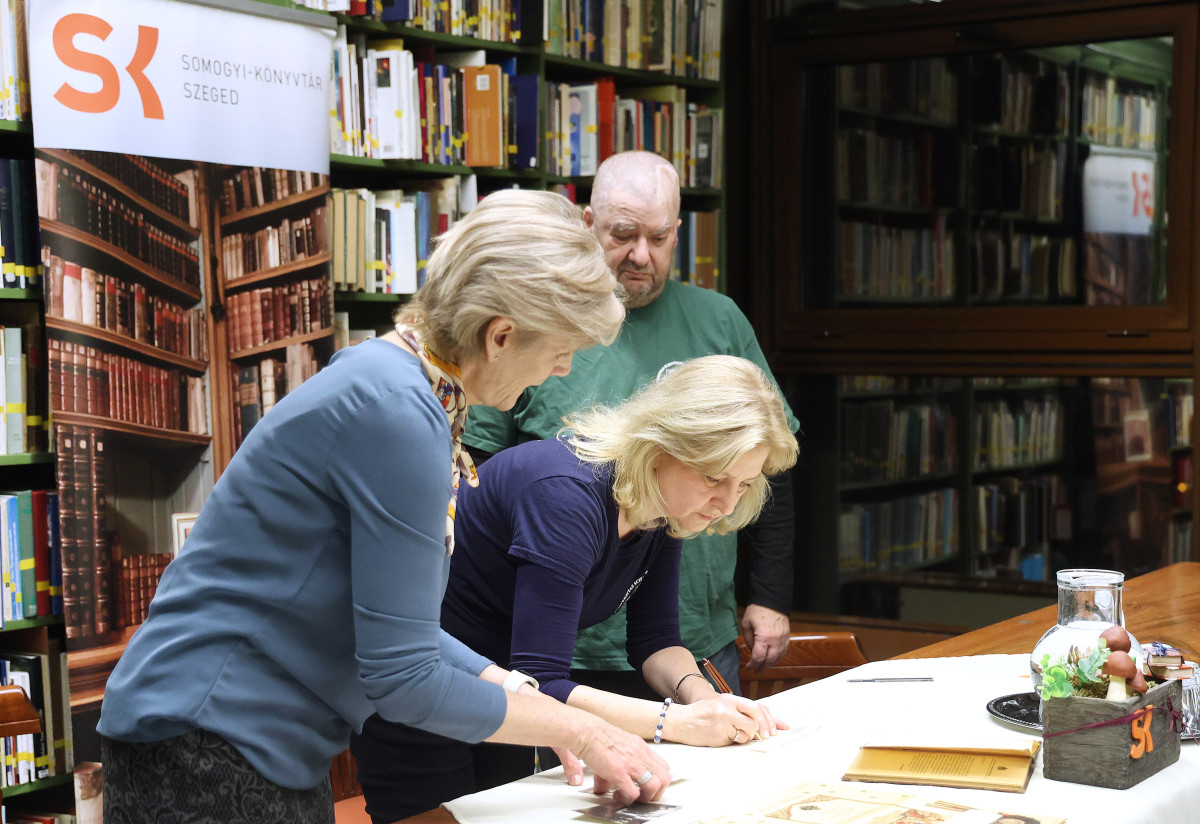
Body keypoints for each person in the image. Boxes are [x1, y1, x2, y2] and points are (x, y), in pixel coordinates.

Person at [95, 190, 674, 824]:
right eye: (562, 347)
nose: (562, 368)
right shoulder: (395, 411)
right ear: (501, 335)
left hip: (235, 738)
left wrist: (527, 697)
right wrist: (582, 731)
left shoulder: (397, 382)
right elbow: (405, 677)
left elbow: (407, 635)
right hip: (210, 738)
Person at [352, 355, 800, 822]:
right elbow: (543, 680)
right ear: (662, 446)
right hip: (422, 690)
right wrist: (679, 723)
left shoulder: (663, 502)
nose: (728, 504)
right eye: (714, 478)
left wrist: (704, 700)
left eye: (744, 483)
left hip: (506, 694)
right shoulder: (566, 495)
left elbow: (656, 640)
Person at [465, 151, 801, 697]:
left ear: (678, 234)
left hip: (688, 629)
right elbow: (477, 475)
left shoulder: (718, 321)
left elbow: (768, 466)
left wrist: (770, 592)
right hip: (551, 634)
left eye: (660, 237)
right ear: (588, 224)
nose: (641, 254)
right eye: (623, 234)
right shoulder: (543, 325)